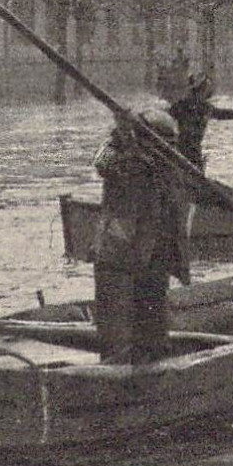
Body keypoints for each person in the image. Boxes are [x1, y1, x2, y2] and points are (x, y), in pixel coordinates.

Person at [91, 110, 191, 364]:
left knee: (154, 340)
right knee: (118, 344)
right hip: (119, 260)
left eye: (172, 145)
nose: (169, 151)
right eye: (164, 144)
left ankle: (155, 380)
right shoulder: (124, 161)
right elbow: (104, 162)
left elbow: (199, 187)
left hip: (154, 258)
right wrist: (124, 137)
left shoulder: (170, 167)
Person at [167, 73, 233, 173]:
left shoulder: (184, 105)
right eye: (205, 89)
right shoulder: (201, 107)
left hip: (185, 149)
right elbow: (224, 114)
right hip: (190, 150)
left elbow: (224, 114)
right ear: (200, 90)